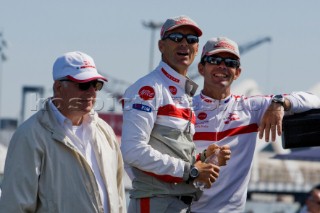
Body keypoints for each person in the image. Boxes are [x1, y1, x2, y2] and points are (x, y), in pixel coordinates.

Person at [191, 37, 320, 213]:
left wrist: (279, 102)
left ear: (237, 72)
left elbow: (314, 100)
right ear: (201, 68)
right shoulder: (185, 109)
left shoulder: (250, 107)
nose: (222, 66)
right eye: (214, 60)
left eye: (230, 62)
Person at [121, 15, 230, 213]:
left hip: (176, 202)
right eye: (177, 37)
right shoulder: (148, 88)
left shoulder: (183, 92)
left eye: (191, 40)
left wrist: (204, 158)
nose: (184, 44)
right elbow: (132, 150)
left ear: (197, 49)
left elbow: (171, 151)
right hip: (155, 201)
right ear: (161, 46)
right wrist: (193, 170)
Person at [0, 51, 126, 213]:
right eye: (83, 85)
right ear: (58, 87)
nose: (91, 92)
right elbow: (15, 206)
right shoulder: (30, 135)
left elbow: (119, 199)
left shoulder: (105, 133)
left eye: (96, 84)